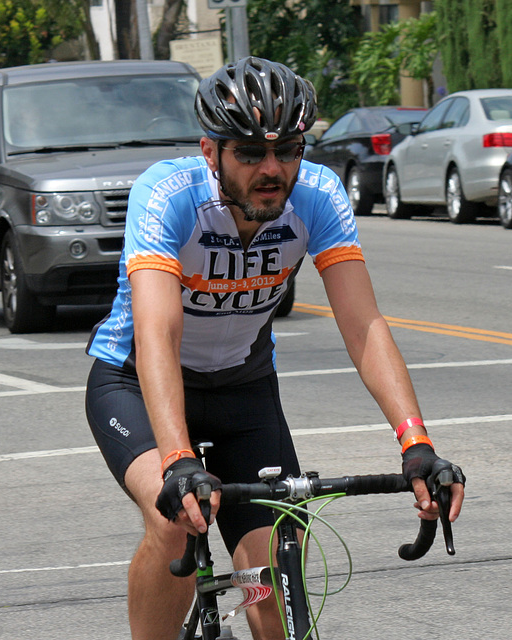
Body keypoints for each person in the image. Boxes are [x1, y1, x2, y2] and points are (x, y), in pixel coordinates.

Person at [85, 57, 465, 640]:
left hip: (243, 386)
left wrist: (416, 442)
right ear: (211, 152)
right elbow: (159, 333)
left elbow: (363, 324)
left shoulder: (317, 194)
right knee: (175, 525)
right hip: (138, 383)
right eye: (250, 152)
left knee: (275, 567)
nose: (273, 168)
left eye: (288, 150)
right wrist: (178, 460)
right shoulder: (166, 194)